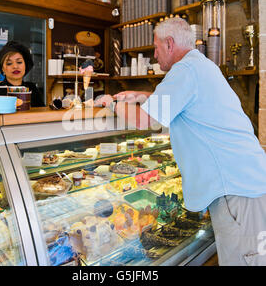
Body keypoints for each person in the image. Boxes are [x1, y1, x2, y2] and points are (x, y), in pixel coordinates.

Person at [94, 17, 266, 266]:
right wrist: (142, 95)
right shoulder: (201, 66)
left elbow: (144, 121)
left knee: (245, 260)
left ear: (170, 44)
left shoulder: (184, 70)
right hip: (246, 184)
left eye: (155, 47)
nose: (154, 54)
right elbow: (179, 100)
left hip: (236, 191)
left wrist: (111, 103)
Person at [0, 41, 45, 107]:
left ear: (25, 65)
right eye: (9, 63)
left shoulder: (32, 88)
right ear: (2, 69)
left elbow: (42, 113)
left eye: (19, 62)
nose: (15, 66)